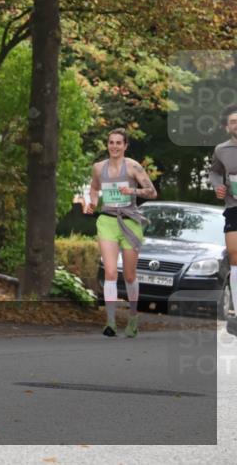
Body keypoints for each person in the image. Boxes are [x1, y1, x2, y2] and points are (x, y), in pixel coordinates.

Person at [83, 128, 157, 337]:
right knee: (110, 272)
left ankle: (133, 318)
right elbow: (95, 188)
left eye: (118, 143)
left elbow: (152, 192)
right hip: (107, 220)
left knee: (130, 275)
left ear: (125, 146)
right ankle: (111, 322)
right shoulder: (98, 168)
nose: (114, 146)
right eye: (111, 142)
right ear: (107, 145)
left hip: (130, 221)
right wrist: (93, 203)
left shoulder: (133, 167)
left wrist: (132, 191)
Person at [209, 104, 237, 333]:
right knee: (235, 254)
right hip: (234, 206)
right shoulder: (221, 150)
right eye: (233, 122)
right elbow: (215, 171)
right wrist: (218, 186)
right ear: (227, 127)